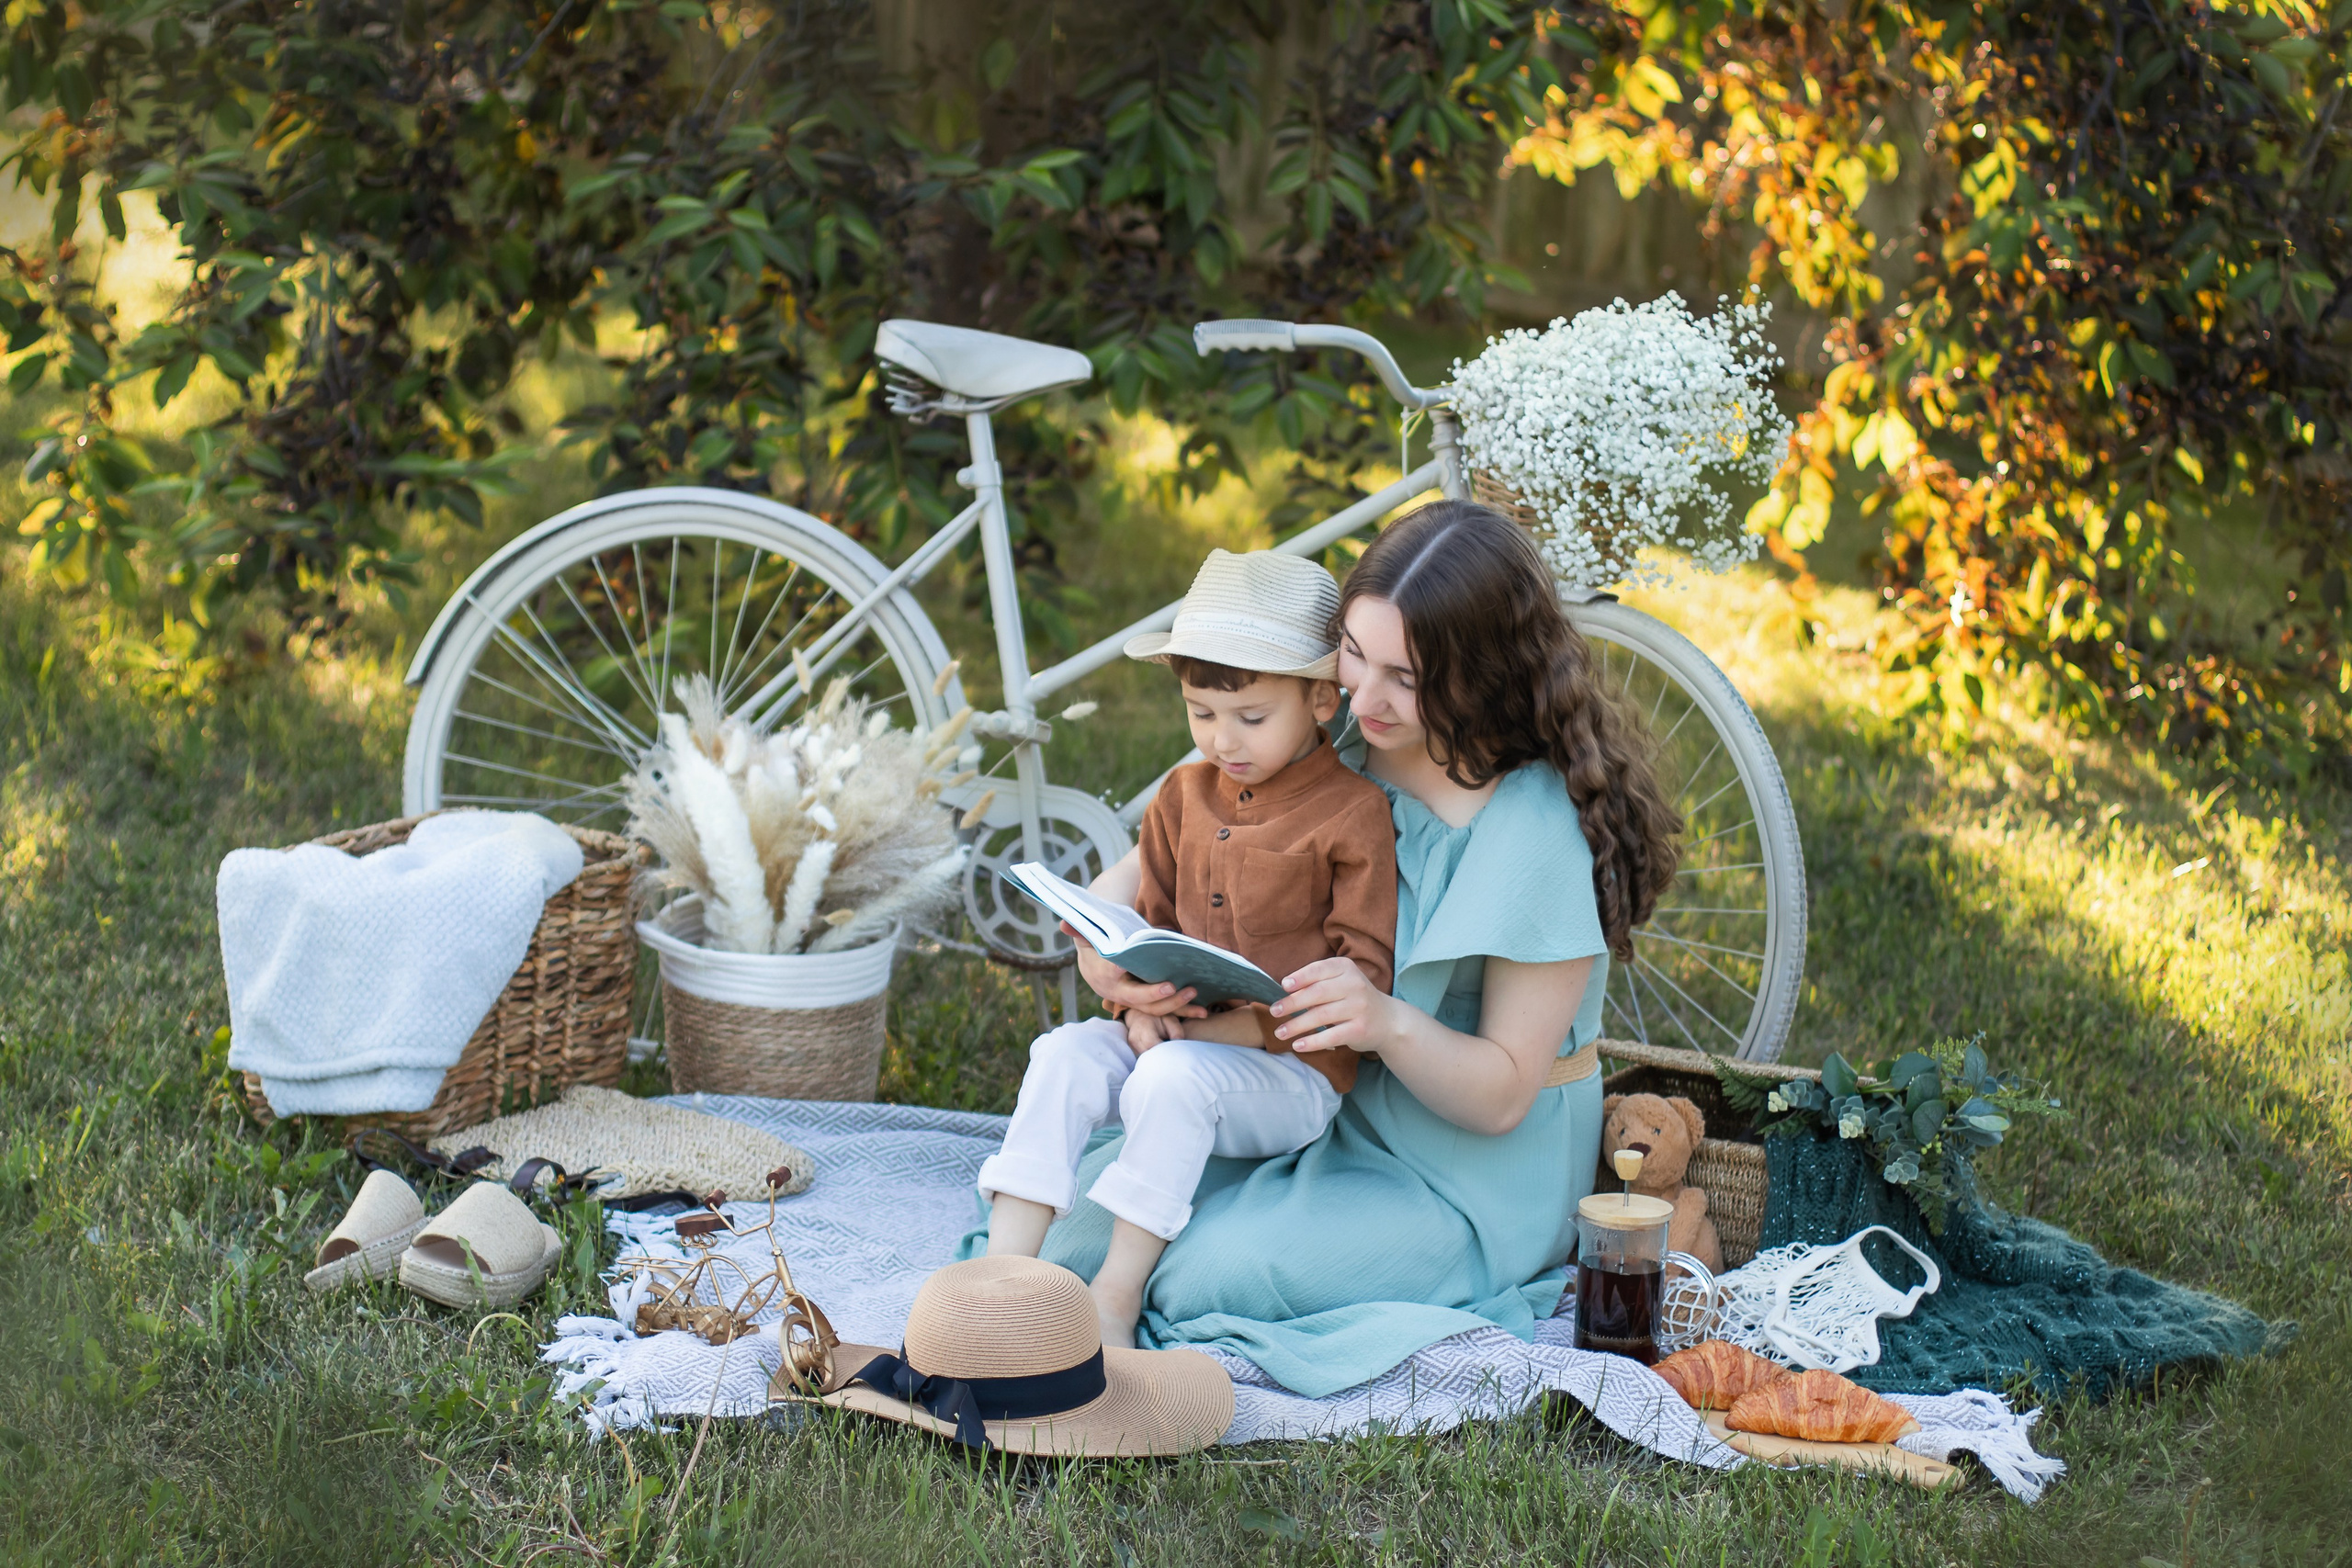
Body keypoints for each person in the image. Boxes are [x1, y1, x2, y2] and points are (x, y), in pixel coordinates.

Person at [962, 501, 1682, 1398]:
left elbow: (1501, 1095)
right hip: (1317, 1099)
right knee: (1082, 1239)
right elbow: (1134, 872)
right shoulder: (1340, 739)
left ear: (1487, 674)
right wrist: (1103, 960)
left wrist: (1382, 1020)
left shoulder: (1532, 830)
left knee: (1194, 1275)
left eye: (1406, 678)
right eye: (1352, 654)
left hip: (1464, 1171)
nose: (1366, 698)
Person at [976, 549, 1399, 1347]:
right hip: (1170, 1037)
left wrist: (1205, 1032)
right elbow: (1147, 932)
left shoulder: (1353, 813)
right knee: (1063, 1052)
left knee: (1173, 1075)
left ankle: (1117, 1295)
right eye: (1201, 712)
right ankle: (999, 1281)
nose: (1221, 739)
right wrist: (1131, 1010)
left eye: (1249, 717)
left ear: (1318, 698)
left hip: (1287, 1073)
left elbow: (1361, 980)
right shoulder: (1181, 795)